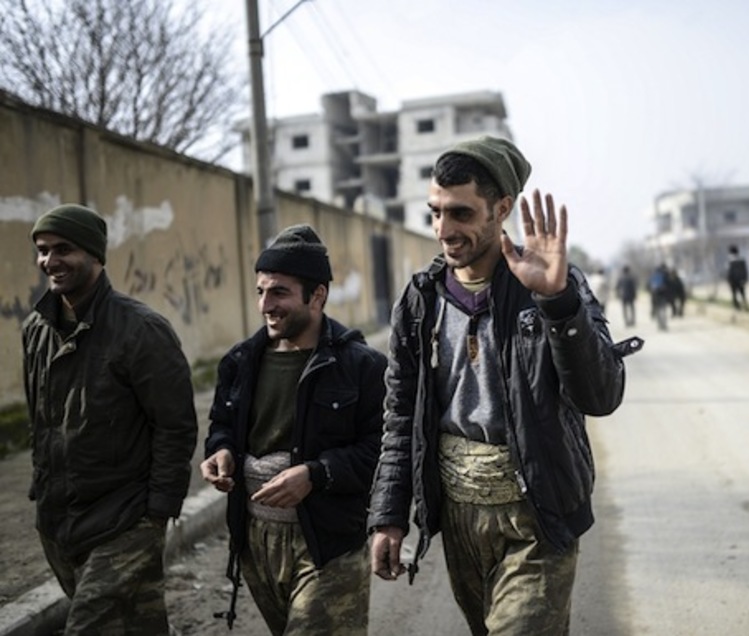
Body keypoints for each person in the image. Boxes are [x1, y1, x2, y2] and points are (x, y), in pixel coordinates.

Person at [367, 136, 628, 636]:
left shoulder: (548, 285)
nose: (444, 229)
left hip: (538, 515)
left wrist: (557, 302)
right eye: (435, 212)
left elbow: (602, 395)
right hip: (462, 520)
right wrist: (389, 515)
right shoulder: (421, 301)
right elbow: (401, 417)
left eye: (461, 213)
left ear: (501, 208)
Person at [200, 225, 387, 635]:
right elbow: (222, 425)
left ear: (317, 295)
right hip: (255, 543)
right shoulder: (239, 361)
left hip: (326, 544)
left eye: (279, 292)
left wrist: (316, 474)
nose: (266, 304)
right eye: (261, 291)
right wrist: (220, 451)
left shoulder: (362, 367)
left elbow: (383, 452)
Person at [22, 204, 197, 635]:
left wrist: (158, 513)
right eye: (43, 250)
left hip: (124, 521)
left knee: (87, 627)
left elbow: (176, 426)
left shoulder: (141, 330)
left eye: (64, 249)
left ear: (96, 255)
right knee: (138, 626)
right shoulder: (36, 329)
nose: (50, 261)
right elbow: (40, 420)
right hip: (59, 522)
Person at [648, 263, 670, 331]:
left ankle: (659, 325)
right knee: (663, 310)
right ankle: (664, 325)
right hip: (663, 296)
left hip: (655, 296)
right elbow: (668, 285)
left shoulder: (652, 276)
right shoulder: (664, 275)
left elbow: (648, 286)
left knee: (658, 311)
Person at [727, 244, 749, 310]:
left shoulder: (731, 261)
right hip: (741, 280)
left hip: (733, 281)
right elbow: (745, 270)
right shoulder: (742, 260)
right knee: (742, 294)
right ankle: (745, 306)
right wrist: (745, 279)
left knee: (734, 295)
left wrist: (729, 280)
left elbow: (730, 272)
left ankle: (737, 307)